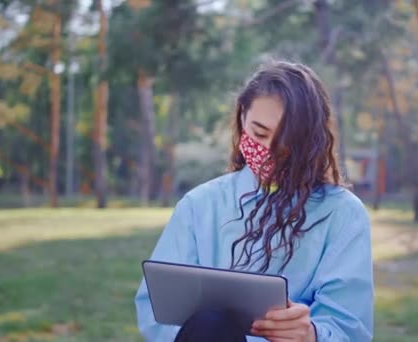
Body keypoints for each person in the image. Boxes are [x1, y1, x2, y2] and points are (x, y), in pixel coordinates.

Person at [135, 60, 373, 342]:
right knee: (210, 323)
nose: (270, 152)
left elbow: (350, 327)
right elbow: (155, 309)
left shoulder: (342, 214)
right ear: (241, 117)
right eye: (259, 133)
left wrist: (310, 335)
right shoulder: (199, 205)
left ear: (311, 142)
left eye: (286, 143)